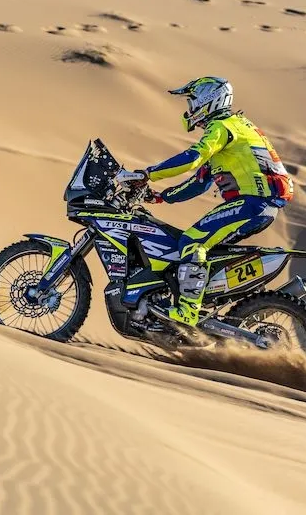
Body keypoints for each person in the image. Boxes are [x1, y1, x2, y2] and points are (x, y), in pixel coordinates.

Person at [115, 76, 294, 328]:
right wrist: (160, 196)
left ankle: (188, 310)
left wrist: (148, 174)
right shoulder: (237, 127)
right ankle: (204, 303)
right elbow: (199, 183)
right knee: (205, 252)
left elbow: (192, 158)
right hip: (260, 205)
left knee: (192, 240)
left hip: (252, 203)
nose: (189, 110)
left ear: (208, 100)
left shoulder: (221, 127)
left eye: (193, 102)